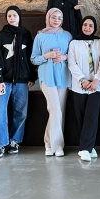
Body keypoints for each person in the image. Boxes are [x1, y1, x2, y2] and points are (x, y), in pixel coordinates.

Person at [0, 6, 37, 158]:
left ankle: (14, 141)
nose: (12, 18)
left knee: (21, 113)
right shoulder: (1, 36)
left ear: (19, 17)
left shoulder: (26, 35)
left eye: (14, 15)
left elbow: (31, 57)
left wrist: (32, 77)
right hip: (3, 82)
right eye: (9, 15)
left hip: (22, 82)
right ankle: (0, 144)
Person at [31, 8, 72, 156]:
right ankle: (57, 146)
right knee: (55, 109)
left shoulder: (67, 35)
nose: (56, 20)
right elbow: (33, 59)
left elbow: (73, 55)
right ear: (48, 18)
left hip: (63, 77)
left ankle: (48, 144)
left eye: (59, 18)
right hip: (47, 77)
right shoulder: (40, 36)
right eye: (54, 17)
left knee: (59, 110)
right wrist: (46, 56)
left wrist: (65, 57)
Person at [67, 16, 100, 162]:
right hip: (79, 85)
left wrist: (96, 80)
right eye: (85, 25)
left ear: (94, 28)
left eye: (90, 25)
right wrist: (83, 80)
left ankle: (85, 148)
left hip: (96, 85)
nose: (87, 28)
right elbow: (71, 63)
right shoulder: (74, 43)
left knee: (92, 116)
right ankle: (87, 146)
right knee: (81, 117)